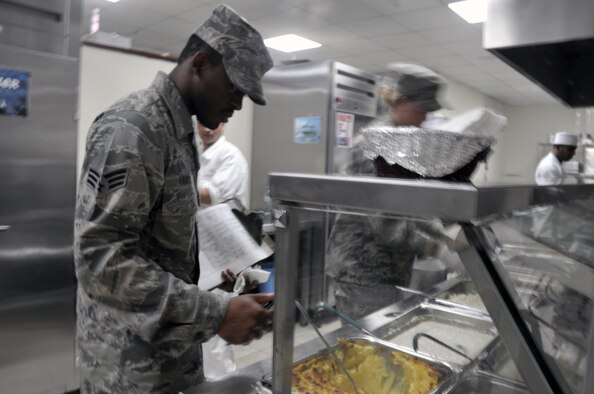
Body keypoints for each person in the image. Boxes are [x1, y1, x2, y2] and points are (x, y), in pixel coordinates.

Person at [74, 5, 274, 393]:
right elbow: (101, 259)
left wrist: (215, 282)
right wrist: (215, 313)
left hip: (168, 353)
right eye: (235, 88)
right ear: (199, 63)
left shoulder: (178, 132)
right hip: (128, 366)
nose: (238, 104)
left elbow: (157, 242)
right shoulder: (134, 128)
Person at [327, 63, 498, 321]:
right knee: (363, 344)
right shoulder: (371, 148)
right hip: (361, 271)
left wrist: (448, 235)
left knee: (382, 335)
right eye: (422, 110)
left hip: (390, 268)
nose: (425, 118)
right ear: (400, 101)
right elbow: (383, 221)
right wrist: (439, 248)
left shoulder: (403, 146)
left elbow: (409, 207)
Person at [196, 121, 248, 208]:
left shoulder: (231, 155)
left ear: (223, 124)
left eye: (212, 124)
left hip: (223, 219)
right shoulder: (197, 152)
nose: (207, 129)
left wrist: (182, 190)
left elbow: (214, 196)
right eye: (203, 124)